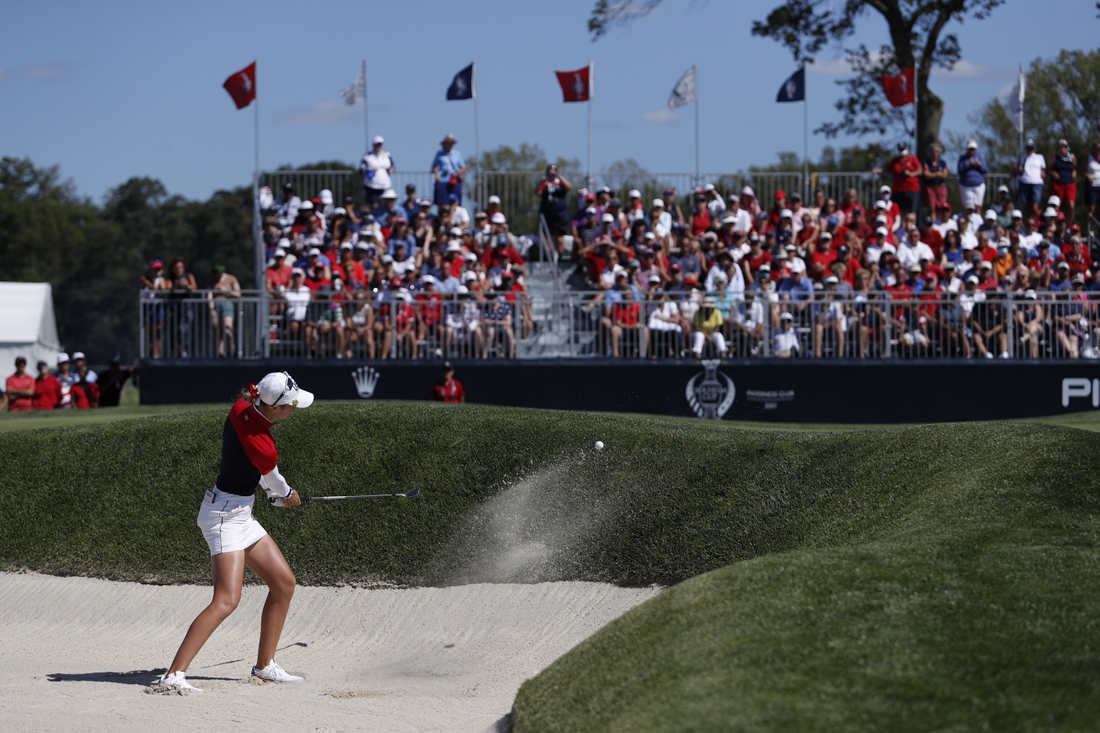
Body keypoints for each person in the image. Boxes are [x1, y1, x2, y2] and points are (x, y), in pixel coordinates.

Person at [155, 372, 313, 693]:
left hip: (239, 512)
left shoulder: (243, 406)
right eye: (290, 405)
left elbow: (257, 473)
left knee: (283, 583)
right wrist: (286, 495)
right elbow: (274, 479)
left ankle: (265, 666)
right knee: (227, 600)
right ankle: (174, 674)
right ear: (275, 408)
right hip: (223, 516)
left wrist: (274, 491)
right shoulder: (264, 445)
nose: (294, 410)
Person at [538, 164, 573, 257]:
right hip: (547, 213)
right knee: (547, 238)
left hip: (560, 214)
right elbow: (537, 192)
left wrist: (559, 176)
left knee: (560, 239)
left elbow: (569, 187)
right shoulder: (545, 183)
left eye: (553, 172)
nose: (551, 174)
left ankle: (560, 257)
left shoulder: (560, 182)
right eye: (550, 172)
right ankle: (548, 256)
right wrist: (541, 181)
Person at [209, 266, 241, 358]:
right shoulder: (212, 281)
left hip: (227, 304)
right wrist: (212, 309)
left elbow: (238, 294)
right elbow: (209, 295)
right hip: (216, 306)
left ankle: (233, 349)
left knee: (227, 329)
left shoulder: (231, 278)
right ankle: (220, 352)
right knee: (218, 330)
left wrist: (226, 291)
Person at [431, 134, 466, 206]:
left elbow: (463, 167)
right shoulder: (439, 154)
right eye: (448, 143)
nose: (449, 145)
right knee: (442, 201)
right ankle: (443, 216)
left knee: (456, 200)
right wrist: (437, 174)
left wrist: (459, 171)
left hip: (454, 179)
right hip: (442, 179)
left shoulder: (457, 153)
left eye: (451, 143)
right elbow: (433, 167)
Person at [1015, 139, 1046, 219]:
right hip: (1024, 183)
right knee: (1027, 206)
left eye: (1031, 148)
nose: (1029, 150)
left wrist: (1043, 173)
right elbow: (1014, 172)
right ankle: (1030, 222)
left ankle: (1038, 222)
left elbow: (1043, 169)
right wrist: (1018, 170)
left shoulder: (1039, 157)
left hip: (1036, 183)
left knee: (1035, 206)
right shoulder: (1022, 159)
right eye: (1028, 148)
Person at [359, 135, 395, 206]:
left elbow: (393, 166)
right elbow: (361, 169)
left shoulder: (387, 155)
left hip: (385, 186)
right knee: (374, 205)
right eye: (376, 145)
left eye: (380, 145)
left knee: (384, 205)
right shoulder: (367, 155)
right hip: (372, 186)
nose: (378, 146)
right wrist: (369, 171)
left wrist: (391, 170)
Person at [1049, 139, 1077, 224]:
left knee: (1071, 206)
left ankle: (1068, 226)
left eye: (1064, 147)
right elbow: (1048, 170)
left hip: (1069, 184)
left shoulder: (1072, 157)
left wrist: (1075, 172)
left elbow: (1075, 167)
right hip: (1058, 184)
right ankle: (1057, 224)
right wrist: (1053, 172)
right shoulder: (1054, 158)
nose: (1062, 149)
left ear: (1067, 148)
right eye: (1060, 147)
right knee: (1057, 206)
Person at [957, 140, 989, 211]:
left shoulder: (980, 158)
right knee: (967, 206)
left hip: (978, 185)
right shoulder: (962, 158)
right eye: (970, 149)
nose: (972, 151)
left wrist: (979, 164)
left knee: (977, 207)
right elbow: (960, 170)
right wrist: (969, 165)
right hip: (966, 185)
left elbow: (985, 170)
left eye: (973, 149)